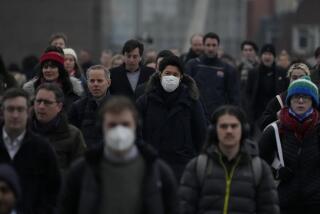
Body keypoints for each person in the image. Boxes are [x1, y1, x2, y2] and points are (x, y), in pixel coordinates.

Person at [59, 96, 177, 214]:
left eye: (125, 124)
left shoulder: (159, 171)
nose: (119, 131)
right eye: (112, 125)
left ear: (136, 126)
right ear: (101, 127)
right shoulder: (80, 171)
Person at [179, 105, 279, 214]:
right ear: (214, 130)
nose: (229, 131)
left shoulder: (259, 169)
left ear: (243, 130)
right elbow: (184, 208)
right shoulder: (197, 167)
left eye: (234, 126)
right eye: (223, 126)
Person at [136, 55, 207, 179]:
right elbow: (136, 132)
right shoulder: (145, 101)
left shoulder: (191, 102)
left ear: (181, 78)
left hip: (183, 165)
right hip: (152, 164)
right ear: (160, 74)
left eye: (175, 75)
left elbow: (201, 133)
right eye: (167, 73)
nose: (171, 77)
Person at [259, 76, 320, 214]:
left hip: (315, 201)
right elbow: (258, 163)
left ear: (313, 102)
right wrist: (275, 172)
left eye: (305, 97)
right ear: (289, 101)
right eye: (296, 97)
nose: (300, 101)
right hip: (284, 200)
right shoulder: (274, 130)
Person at [0, 88, 61, 214]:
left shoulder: (42, 149)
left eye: (20, 109)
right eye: (10, 109)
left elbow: (52, 192)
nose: (15, 115)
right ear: (2, 112)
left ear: (28, 112)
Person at [30, 83, 86, 172]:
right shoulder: (23, 131)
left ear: (59, 106)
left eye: (47, 102)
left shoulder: (73, 135)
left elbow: (80, 172)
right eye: (38, 101)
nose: (41, 106)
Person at [185, 32, 240, 118]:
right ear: (203, 46)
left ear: (218, 46)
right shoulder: (192, 65)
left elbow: (233, 97)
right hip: (196, 114)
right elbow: (186, 90)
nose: (211, 48)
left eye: (214, 45)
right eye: (208, 45)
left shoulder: (227, 69)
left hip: (219, 115)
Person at [23, 46, 84, 112]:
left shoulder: (73, 87)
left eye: (53, 67)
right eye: (45, 67)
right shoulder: (31, 88)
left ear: (60, 69)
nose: (48, 70)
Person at [246, 44, 288, 134]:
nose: (267, 57)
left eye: (270, 54)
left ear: (274, 57)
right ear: (261, 56)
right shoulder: (253, 73)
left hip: (276, 113)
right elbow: (247, 93)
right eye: (265, 54)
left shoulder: (282, 72)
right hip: (257, 114)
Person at [68, 65, 112, 148]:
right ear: (87, 83)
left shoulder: (118, 107)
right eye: (92, 81)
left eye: (99, 81)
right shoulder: (77, 107)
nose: (95, 84)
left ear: (109, 82)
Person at [260, 62, 311, 129]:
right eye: (294, 78)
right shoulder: (279, 100)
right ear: (289, 79)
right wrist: (276, 116)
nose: (298, 80)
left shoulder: (314, 99)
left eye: (301, 77)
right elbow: (262, 124)